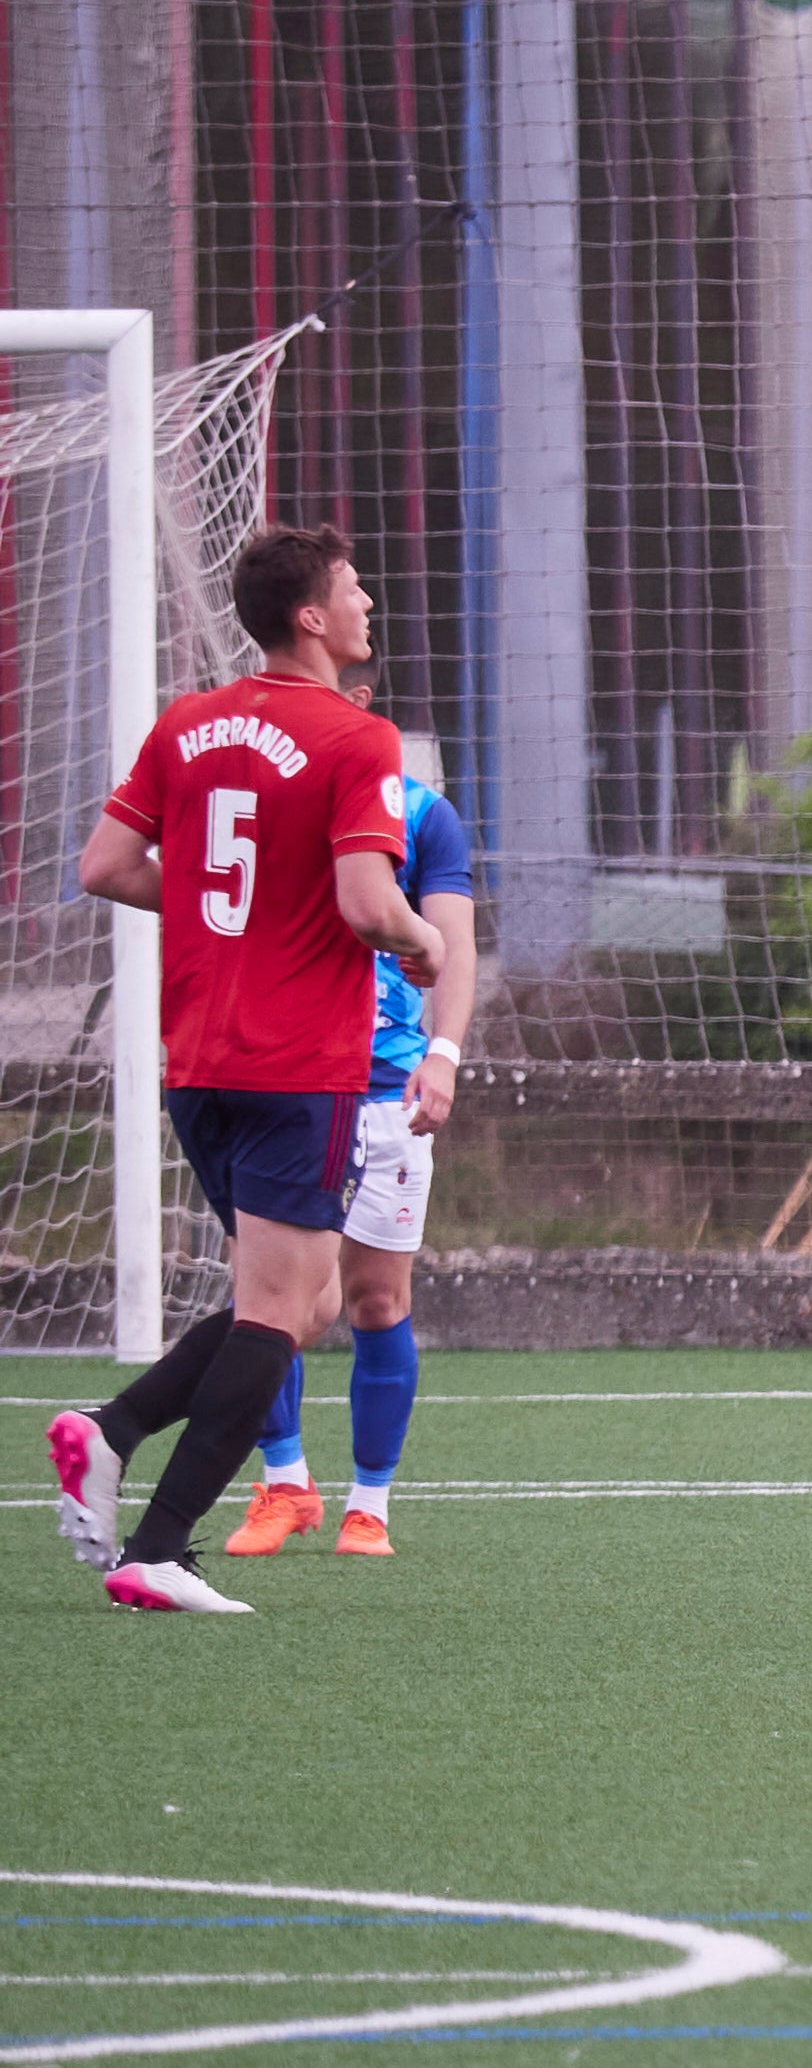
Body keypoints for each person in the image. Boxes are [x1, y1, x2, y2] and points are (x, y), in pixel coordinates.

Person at [49, 523, 444, 1612]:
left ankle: (114, 1430)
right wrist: (424, 941)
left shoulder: (187, 723)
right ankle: (158, 1543)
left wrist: (248, 912)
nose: (369, 603)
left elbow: (106, 866)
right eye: (355, 588)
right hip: (296, 1062)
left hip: (200, 1061)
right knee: (280, 1311)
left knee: (301, 1300)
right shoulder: (358, 738)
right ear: (311, 615)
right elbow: (369, 905)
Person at [226, 667, 477, 1559]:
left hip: (385, 1092)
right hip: (288, 1085)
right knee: (271, 1299)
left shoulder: (421, 816)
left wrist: (442, 1056)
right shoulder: (268, 801)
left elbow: (453, 943)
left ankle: (370, 1504)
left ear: (366, 715)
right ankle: (284, 1485)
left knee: (377, 1300)